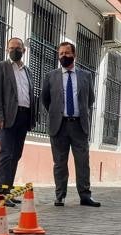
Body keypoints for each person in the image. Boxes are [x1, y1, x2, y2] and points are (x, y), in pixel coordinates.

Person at [41, 42, 100, 207]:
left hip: (79, 126)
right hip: (58, 126)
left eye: (67, 53)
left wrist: (78, 111)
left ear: (74, 55)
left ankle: (85, 196)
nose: (63, 56)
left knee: (83, 162)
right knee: (60, 163)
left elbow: (90, 99)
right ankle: (60, 196)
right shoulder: (50, 76)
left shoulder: (85, 76)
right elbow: (46, 100)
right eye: (60, 54)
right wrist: (58, 112)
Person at [0, 37, 36, 207]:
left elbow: (30, 95)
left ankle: (8, 191)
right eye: (11, 48)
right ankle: (2, 193)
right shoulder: (1, 67)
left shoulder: (27, 71)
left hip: (23, 117)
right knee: (6, 153)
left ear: (23, 50)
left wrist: (32, 117)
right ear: (7, 50)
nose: (14, 50)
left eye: (17, 48)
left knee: (16, 154)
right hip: (7, 118)